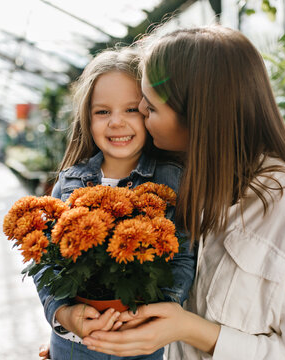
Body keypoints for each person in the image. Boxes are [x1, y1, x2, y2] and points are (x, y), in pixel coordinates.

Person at [80, 25, 285, 359]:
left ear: (200, 116)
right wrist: (90, 346)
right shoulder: (189, 183)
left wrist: (190, 329)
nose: (142, 112)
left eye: (152, 107)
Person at [34, 47, 195, 360]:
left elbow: (182, 259)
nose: (116, 122)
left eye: (132, 109)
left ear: (149, 112)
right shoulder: (69, 182)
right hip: (74, 345)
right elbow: (45, 263)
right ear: (87, 118)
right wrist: (63, 316)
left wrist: (151, 315)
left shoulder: (173, 180)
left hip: (142, 344)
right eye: (103, 112)